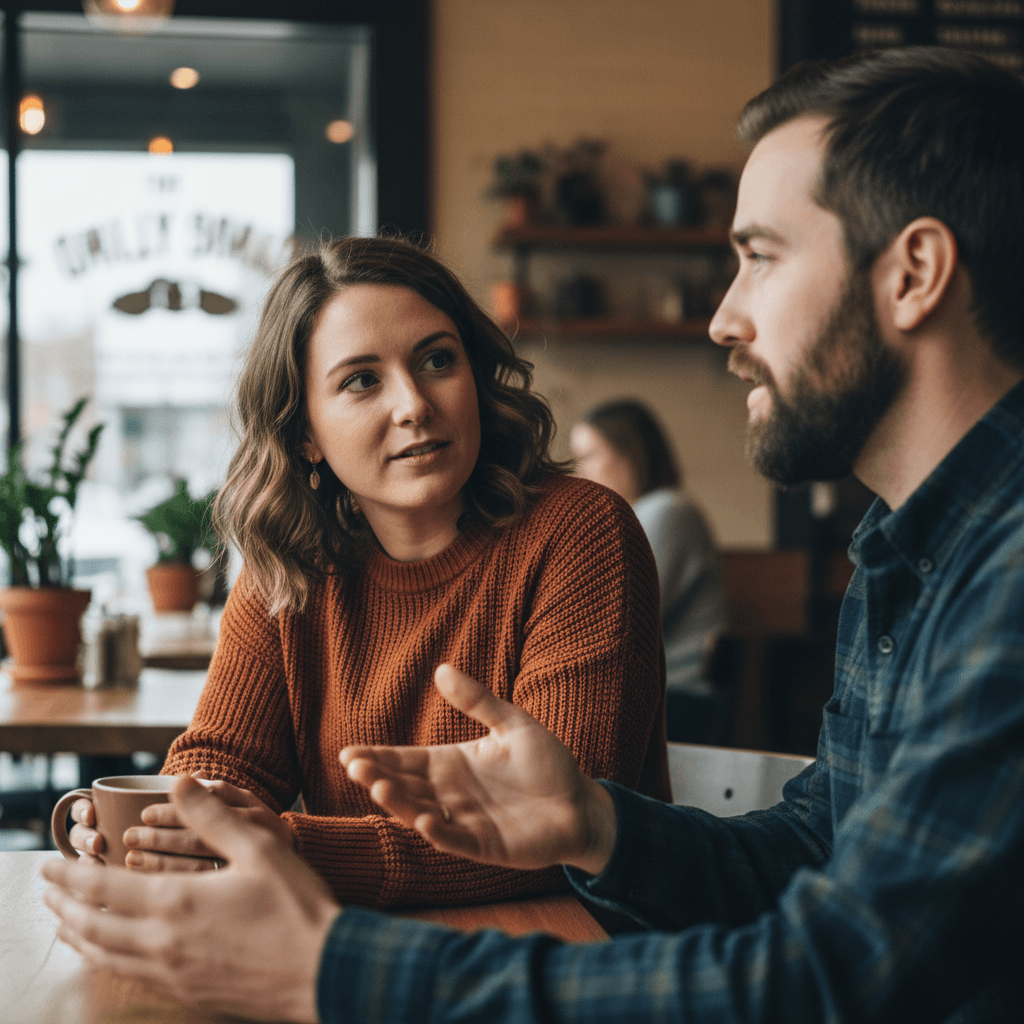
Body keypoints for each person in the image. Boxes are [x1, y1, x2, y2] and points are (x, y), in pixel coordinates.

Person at [44, 46, 1024, 1022]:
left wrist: (328, 966)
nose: (723, 318)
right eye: (360, 381)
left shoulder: (1003, 573)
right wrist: (596, 825)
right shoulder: (904, 557)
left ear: (914, 273)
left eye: (760, 257)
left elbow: (827, 976)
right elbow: (811, 854)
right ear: (305, 434)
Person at [65, 235, 670, 907]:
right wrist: (169, 827)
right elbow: (226, 760)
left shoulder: (581, 532)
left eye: (437, 360)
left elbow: (559, 825)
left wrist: (291, 849)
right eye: (361, 380)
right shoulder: (291, 566)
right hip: (346, 950)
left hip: (569, 951)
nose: (414, 405)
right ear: (305, 434)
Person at [570, 399, 726, 742]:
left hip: (679, 701)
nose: (578, 472)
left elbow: (612, 617)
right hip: (657, 698)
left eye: (589, 456)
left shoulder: (666, 510)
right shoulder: (646, 514)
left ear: (630, 454)